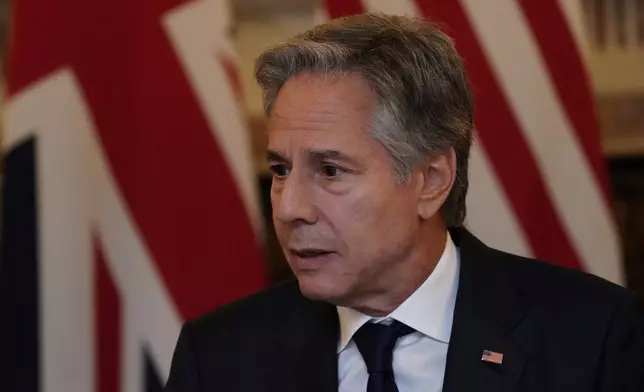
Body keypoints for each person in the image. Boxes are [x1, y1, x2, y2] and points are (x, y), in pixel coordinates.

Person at [164, 13, 644, 392]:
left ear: (431, 180)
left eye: (330, 171)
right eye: (281, 170)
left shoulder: (591, 337)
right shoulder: (221, 356)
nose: (289, 208)